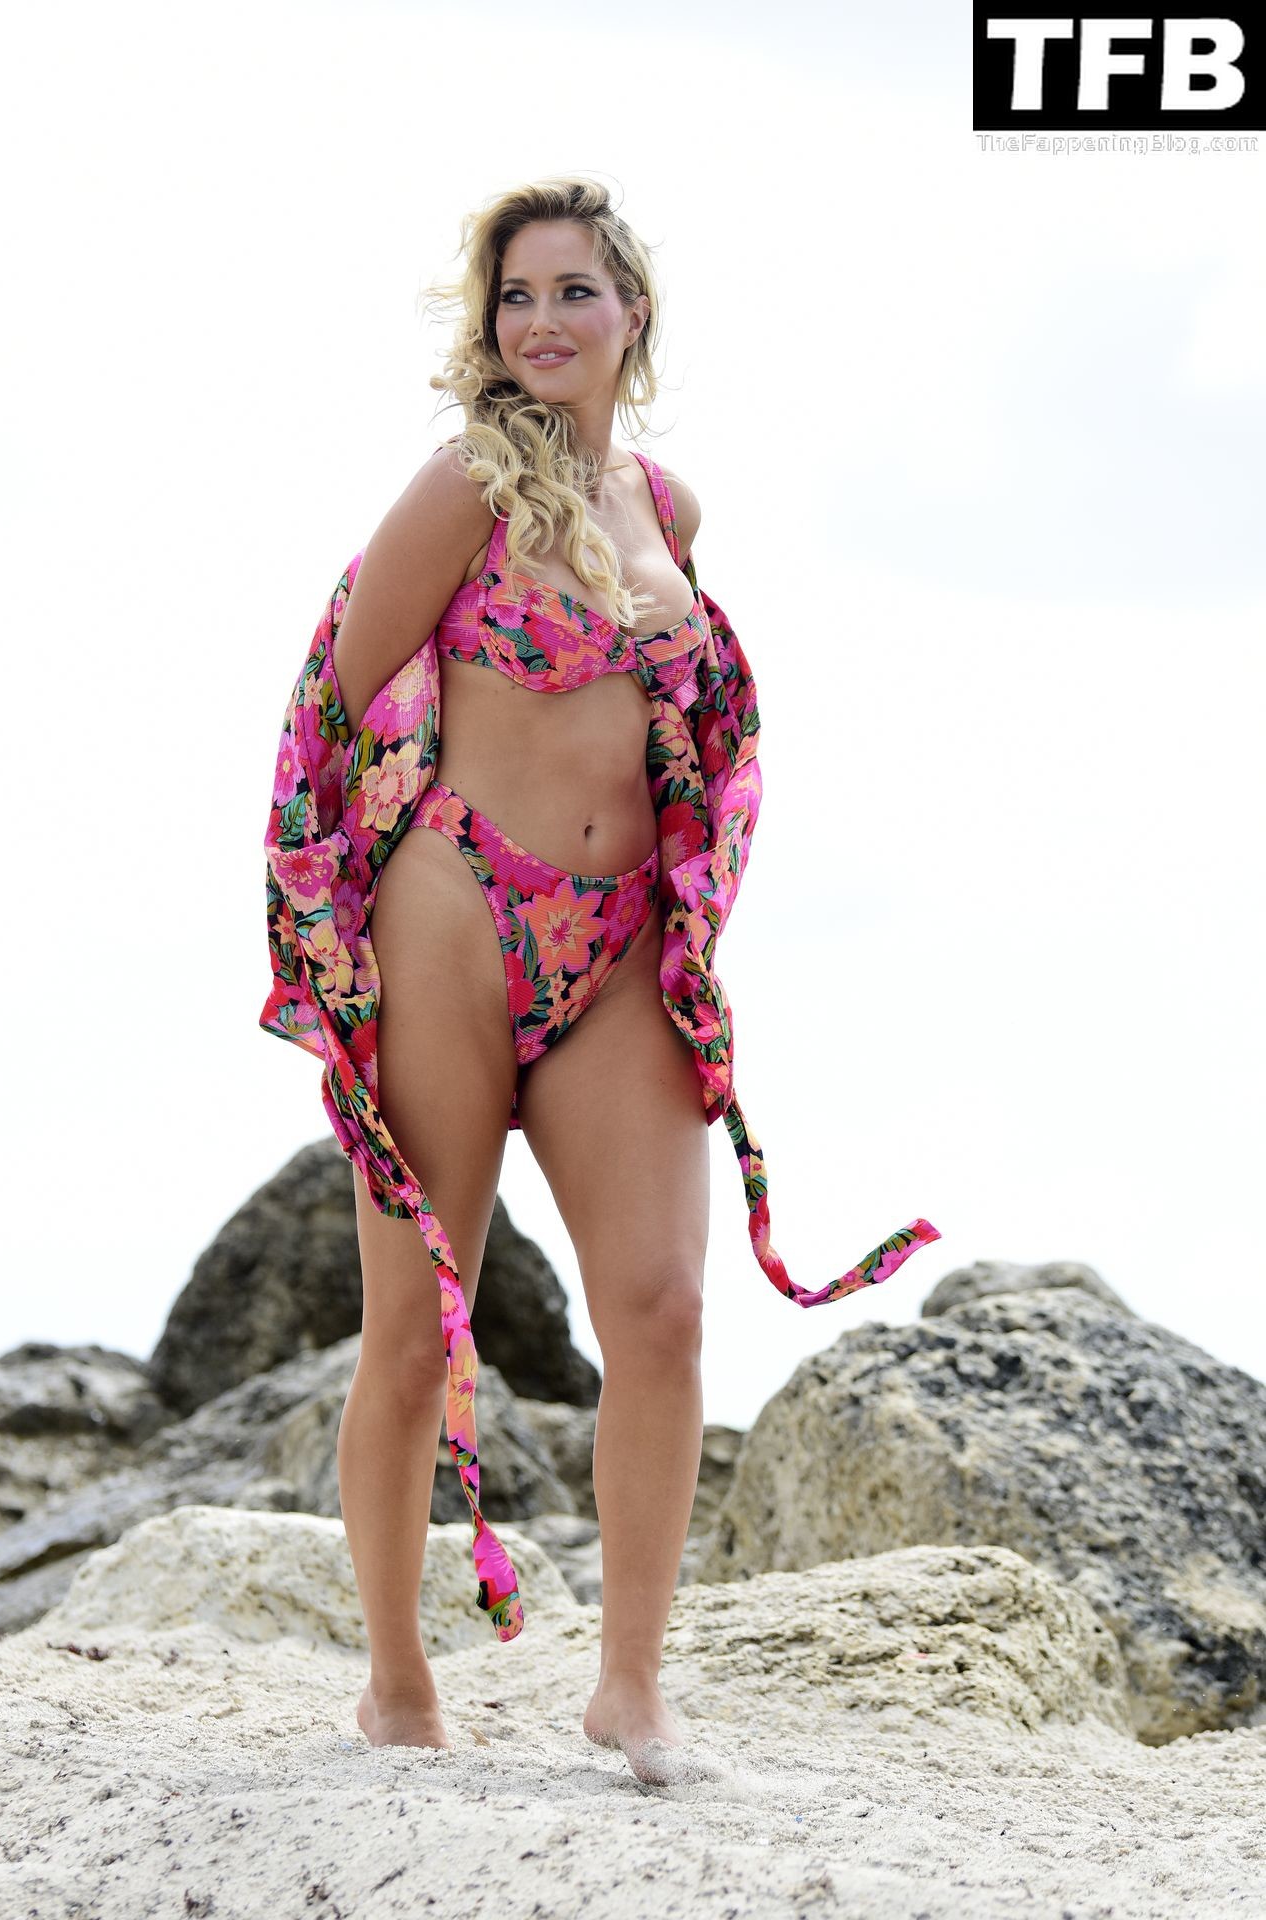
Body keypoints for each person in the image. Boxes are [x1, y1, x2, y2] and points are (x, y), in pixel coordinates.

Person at [259, 177, 941, 1782]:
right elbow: (334, 702)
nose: (544, 320)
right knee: (415, 1328)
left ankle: (630, 1687)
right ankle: (398, 1683)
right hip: (453, 915)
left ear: (632, 312)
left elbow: (683, 726)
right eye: (517, 295)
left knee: (664, 1309)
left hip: (618, 944)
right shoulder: (462, 490)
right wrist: (333, 947)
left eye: (575, 290)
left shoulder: (668, 508)